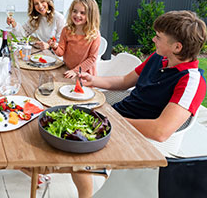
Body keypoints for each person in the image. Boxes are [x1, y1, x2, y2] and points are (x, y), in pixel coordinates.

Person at [74, 10, 207, 198]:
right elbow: (124, 81)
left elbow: (160, 132)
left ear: (177, 47)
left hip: (137, 138)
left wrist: (111, 121)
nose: (153, 39)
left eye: (159, 37)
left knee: (72, 151)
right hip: (114, 121)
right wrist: (92, 80)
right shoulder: (158, 59)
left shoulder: (191, 81)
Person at [48, 0, 100, 79]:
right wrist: (55, 46)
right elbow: (60, 52)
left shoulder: (94, 35)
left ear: (90, 16)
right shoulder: (66, 30)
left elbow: (92, 59)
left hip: (85, 75)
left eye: (82, 13)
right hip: (68, 70)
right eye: (75, 11)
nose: (77, 15)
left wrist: (76, 71)